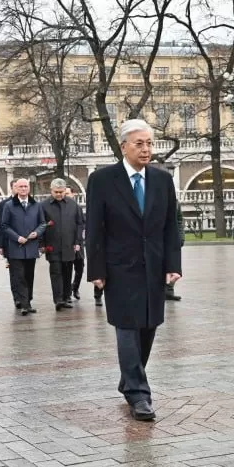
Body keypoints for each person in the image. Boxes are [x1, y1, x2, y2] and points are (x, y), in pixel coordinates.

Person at [85, 119, 182, 422]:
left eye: (149, 143)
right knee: (127, 329)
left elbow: (170, 226)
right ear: (123, 146)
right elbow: (94, 229)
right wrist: (97, 270)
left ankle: (129, 377)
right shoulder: (102, 180)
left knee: (148, 328)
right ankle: (139, 395)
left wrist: (172, 265)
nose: (146, 149)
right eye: (139, 143)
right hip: (119, 268)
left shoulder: (162, 180)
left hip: (153, 268)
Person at [0, 178, 46, 315]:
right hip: (15, 247)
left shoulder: (36, 205)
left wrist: (36, 233)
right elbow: (4, 226)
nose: (23, 189)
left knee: (29, 276)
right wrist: (17, 237)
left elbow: (43, 223)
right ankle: (24, 304)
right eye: (21, 186)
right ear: (16, 188)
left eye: (25, 186)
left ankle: (28, 301)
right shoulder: (9, 206)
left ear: (29, 188)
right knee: (19, 276)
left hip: (31, 247)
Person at [42, 178, 83, 310]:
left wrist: (77, 242)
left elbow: (79, 224)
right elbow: (40, 225)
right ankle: (58, 299)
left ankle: (66, 297)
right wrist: (41, 244)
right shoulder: (44, 206)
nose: (59, 194)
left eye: (61, 192)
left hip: (69, 245)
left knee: (67, 271)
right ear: (51, 190)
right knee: (56, 272)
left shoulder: (73, 205)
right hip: (52, 245)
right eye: (56, 192)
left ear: (65, 191)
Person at [66, 186, 87, 301]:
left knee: (80, 267)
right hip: (67, 244)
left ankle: (75, 287)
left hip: (78, 242)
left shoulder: (77, 207)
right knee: (68, 268)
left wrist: (79, 241)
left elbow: (82, 224)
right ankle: (68, 291)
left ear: (73, 194)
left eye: (68, 193)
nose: (66, 195)